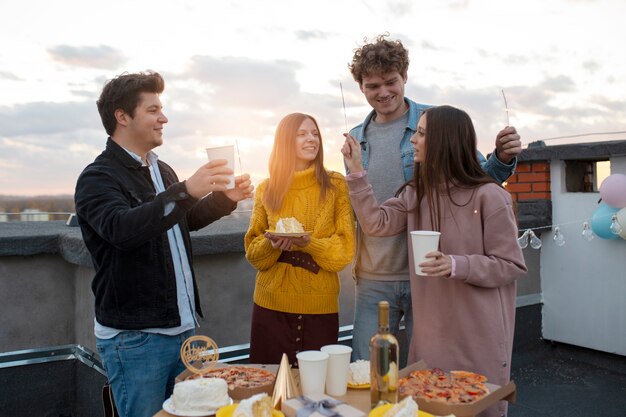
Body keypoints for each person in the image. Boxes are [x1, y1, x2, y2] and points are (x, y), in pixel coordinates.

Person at [74, 71, 254, 417]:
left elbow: (182, 221)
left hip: (182, 331)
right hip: (136, 339)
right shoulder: (97, 177)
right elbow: (122, 230)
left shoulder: (162, 170)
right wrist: (187, 190)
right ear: (122, 117)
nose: (164, 118)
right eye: (153, 110)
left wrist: (224, 199)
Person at [345, 34, 522, 363]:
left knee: (429, 369)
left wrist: (500, 157)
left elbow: (474, 180)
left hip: (429, 276)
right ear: (362, 87)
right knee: (366, 370)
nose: (383, 92)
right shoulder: (356, 139)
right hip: (373, 274)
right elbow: (363, 213)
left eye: (390, 81)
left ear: (404, 77)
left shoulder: (437, 122)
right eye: (373, 86)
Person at [343, 104, 527, 417]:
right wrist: (357, 173)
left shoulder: (489, 196)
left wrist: (456, 264)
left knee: (475, 406)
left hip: (476, 334)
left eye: (422, 133)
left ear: (445, 141)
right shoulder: (417, 192)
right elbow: (376, 223)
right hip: (429, 335)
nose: (413, 139)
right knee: (428, 407)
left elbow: (510, 265)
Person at [244, 113, 355, 367]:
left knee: (317, 393)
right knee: (270, 391)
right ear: (285, 141)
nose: (311, 139)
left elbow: (344, 251)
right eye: (302, 134)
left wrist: (309, 243)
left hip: (320, 307)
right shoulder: (266, 188)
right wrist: (272, 244)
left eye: (315, 133)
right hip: (270, 305)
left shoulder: (336, 184)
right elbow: (253, 254)